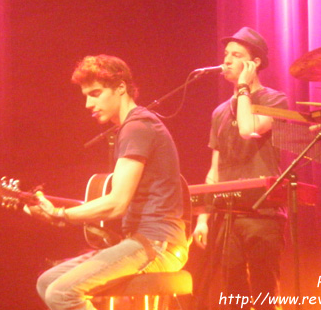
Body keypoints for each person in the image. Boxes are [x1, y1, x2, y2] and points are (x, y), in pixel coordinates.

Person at [25, 54, 189, 310]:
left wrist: (60, 215)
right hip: (139, 241)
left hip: (157, 244)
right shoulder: (130, 128)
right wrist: (58, 213)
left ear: (121, 87)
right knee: (48, 282)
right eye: (86, 96)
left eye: (96, 93)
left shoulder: (137, 128)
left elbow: (116, 204)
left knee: (61, 294)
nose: (88, 103)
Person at [192, 27, 288, 310]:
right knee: (233, 293)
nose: (227, 61)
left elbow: (248, 130)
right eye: (226, 55)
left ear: (254, 63)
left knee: (263, 291)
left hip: (263, 213)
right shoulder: (219, 112)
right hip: (228, 215)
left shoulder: (274, 100)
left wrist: (244, 88)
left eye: (237, 55)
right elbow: (214, 170)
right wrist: (202, 219)